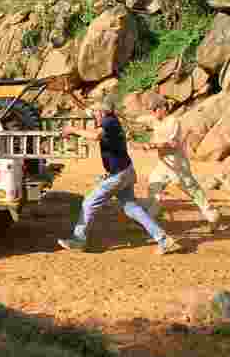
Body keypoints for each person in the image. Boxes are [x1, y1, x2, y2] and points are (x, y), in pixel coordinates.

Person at [57, 96, 183, 255]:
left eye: (96, 112)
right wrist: (71, 94)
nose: (94, 115)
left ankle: (78, 239)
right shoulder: (108, 118)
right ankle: (164, 240)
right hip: (126, 171)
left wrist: (72, 129)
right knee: (131, 208)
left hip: (119, 175)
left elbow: (95, 135)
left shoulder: (109, 122)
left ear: (103, 112)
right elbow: (88, 111)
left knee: (89, 203)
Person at [134, 93, 220, 230]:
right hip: (163, 163)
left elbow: (172, 143)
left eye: (155, 109)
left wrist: (152, 145)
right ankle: (151, 216)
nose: (153, 112)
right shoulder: (155, 119)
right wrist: (127, 122)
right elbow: (138, 120)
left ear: (163, 108)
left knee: (192, 190)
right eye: (152, 110)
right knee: (154, 184)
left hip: (177, 163)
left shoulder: (173, 122)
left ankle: (212, 215)